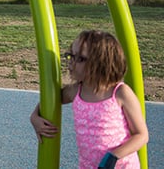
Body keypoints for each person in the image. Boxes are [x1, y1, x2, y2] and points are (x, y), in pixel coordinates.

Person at [30, 30, 149, 168]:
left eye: (80, 59)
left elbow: (141, 135)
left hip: (122, 165)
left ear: (102, 63)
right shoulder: (76, 91)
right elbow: (51, 100)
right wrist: (34, 116)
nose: (71, 63)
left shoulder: (120, 93)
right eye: (71, 56)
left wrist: (113, 156)